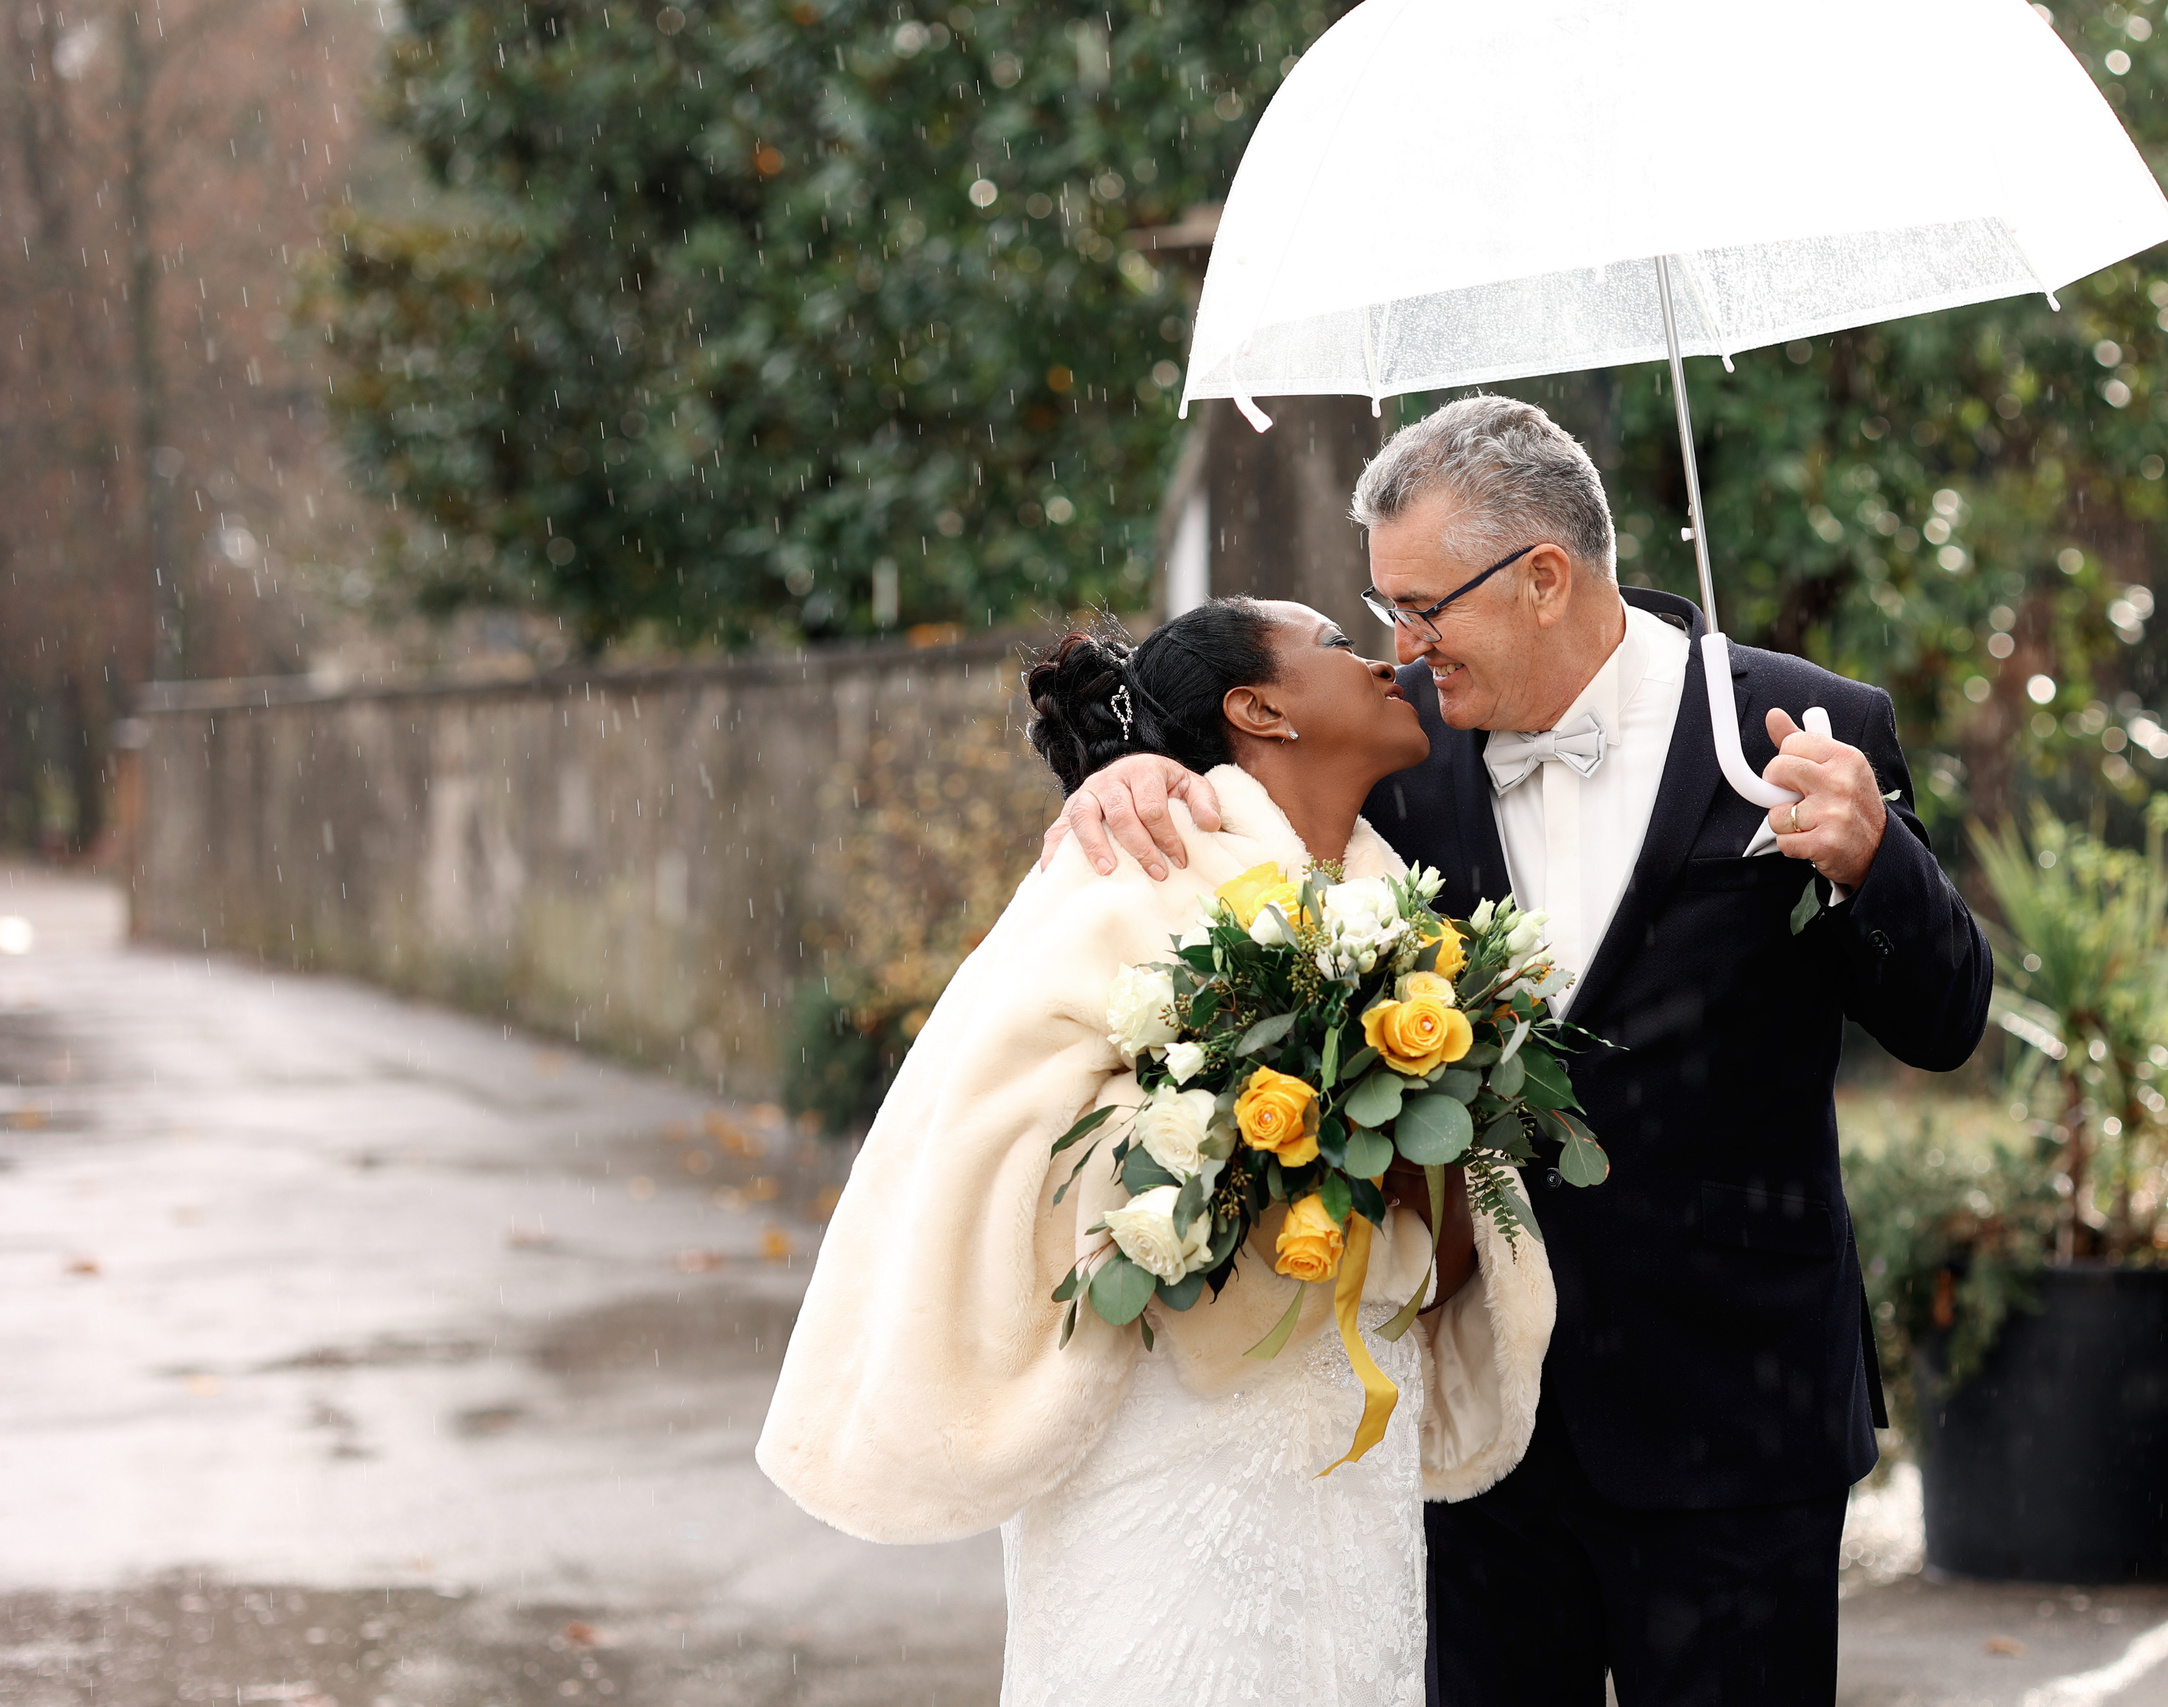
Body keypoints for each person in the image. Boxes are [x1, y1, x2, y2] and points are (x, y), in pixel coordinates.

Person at [1052, 395, 1994, 1706]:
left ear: (1547, 575)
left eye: (1425, 606)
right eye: (1385, 609)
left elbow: (1948, 1018)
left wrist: (1874, 860)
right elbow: (1223, 764)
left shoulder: (1802, 727)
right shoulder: (1397, 746)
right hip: (1476, 1418)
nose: (1402, 643)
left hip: (1736, 1414)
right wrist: (1125, 774)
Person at [757, 597, 1557, 1707]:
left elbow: (1445, 1213)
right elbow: (988, 1135)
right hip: (1170, 1434)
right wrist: (1234, 1132)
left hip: (1350, 1439)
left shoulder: (1395, 899)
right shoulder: (1125, 863)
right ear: (1258, 707)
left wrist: (1432, 1126)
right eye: (1338, 643)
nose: (1384, 662)